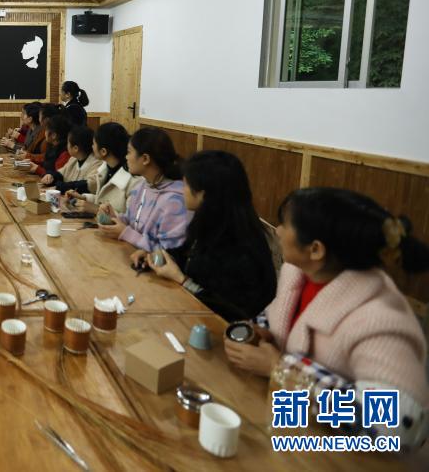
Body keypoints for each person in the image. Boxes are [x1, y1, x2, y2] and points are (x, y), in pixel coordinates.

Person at [225, 188, 429, 448]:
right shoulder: (299, 274)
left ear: (315, 249)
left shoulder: (380, 318)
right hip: (288, 428)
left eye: (284, 225)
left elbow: (400, 422)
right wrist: (259, 332)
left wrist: (281, 370)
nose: (277, 231)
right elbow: (275, 317)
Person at [130, 151, 277, 321]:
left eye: (186, 184)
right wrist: (156, 256)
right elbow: (186, 253)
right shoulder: (212, 220)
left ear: (203, 194)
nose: (182, 190)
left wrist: (182, 280)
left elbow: (230, 310)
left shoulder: (240, 245)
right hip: (193, 315)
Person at [98, 127, 189, 252]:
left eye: (129, 152)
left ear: (145, 159)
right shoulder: (142, 186)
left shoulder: (175, 200)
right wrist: (114, 218)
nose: (126, 157)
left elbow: (167, 254)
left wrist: (125, 233)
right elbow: (132, 223)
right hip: (132, 255)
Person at [65, 122, 141, 215]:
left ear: (103, 151)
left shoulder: (134, 181)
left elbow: (129, 219)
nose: (92, 147)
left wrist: (96, 210)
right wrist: (84, 198)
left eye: (93, 144)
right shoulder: (106, 169)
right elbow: (103, 200)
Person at [46, 125, 103, 190]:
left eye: (68, 143)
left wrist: (61, 186)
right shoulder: (73, 159)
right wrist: (51, 176)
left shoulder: (97, 163)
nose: (67, 145)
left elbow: (89, 184)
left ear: (75, 148)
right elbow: (61, 173)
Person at [29, 114, 72, 181]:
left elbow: (58, 176)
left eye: (46, 130)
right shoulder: (53, 146)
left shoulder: (65, 153)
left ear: (54, 135)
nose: (44, 133)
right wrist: (31, 160)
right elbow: (45, 160)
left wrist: (38, 169)